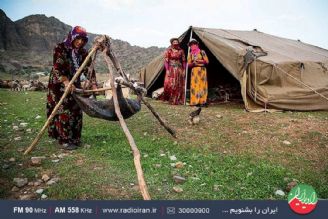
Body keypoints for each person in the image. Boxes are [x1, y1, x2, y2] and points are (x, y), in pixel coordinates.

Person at [47, 26, 97, 150]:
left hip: (75, 83)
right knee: (64, 110)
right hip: (59, 84)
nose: (80, 42)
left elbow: (89, 68)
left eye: (83, 40)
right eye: (78, 38)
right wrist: (66, 82)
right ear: (72, 37)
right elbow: (57, 68)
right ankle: (64, 139)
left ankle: (75, 138)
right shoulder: (60, 48)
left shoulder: (83, 52)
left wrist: (94, 83)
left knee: (76, 110)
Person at [162, 38, 186, 105]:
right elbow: (166, 61)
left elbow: (184, 61)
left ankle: (178, 99)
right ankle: (171, 98)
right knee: (170, 83)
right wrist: (167, 70)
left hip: (179, 69)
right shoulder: (168, 51)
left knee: (179, 84)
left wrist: (184, 70)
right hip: (171, 69)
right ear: (172, 43)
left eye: (176, 42)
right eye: (174, 42)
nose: (175, 43)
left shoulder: (181, 51)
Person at [187, 39, 209, 107]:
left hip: (202, 70)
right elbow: (188, 64)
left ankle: (203, 102)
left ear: (197, 44)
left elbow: (207, 61)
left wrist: (199, 61)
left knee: (202, 85)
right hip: (194, 70)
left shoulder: (202, 52)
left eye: (194, 44)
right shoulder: (190, 54)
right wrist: (193, 63)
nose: (193, 45)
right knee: (194, 85)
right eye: (191, 44)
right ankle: (195, 102)